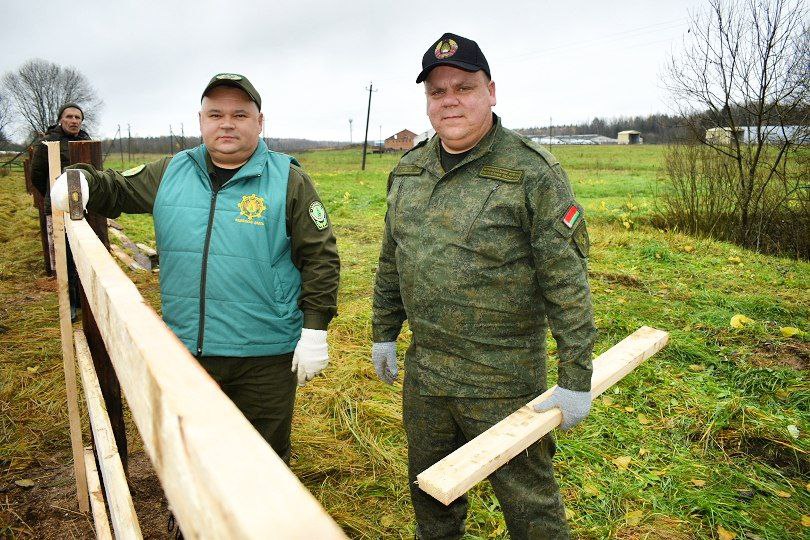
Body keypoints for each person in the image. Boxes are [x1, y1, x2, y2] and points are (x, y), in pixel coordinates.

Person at [371, 33, 597, 540]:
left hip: (503, 380)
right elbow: (392, 262)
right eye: (436, 91)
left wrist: (576, 375)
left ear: (491, 91)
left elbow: (567, 282)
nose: (449, 100)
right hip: (426, 374)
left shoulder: (531, 172)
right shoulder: (409, 170)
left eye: (463, 87)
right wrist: (384, 331)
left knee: (530, 508)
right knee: (431, 494)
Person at [50, 73, 340, 463]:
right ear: (200, 120)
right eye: (215, 113)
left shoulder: (289, 180)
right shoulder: (171, 172)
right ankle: (190, 524)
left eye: (240, 114)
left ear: (260, 122)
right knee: (195, 453)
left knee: (262, 461)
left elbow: (320, 257)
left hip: (264, 354)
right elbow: (113, 188)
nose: (226, 123)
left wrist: (315, 329)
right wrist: (79, 181)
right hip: (187, 349)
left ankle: (255, 526)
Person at [30, 103, 91, 319]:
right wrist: (53, 195)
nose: (74, 121)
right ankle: (70, 304)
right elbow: (37, 175)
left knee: (82, 253)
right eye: (69, 117)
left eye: (78, 117)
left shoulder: (86, 141)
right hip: (58, 208)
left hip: (84, 207)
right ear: (60, 119)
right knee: (64, 256)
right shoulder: (48, 142)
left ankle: (85, 301)